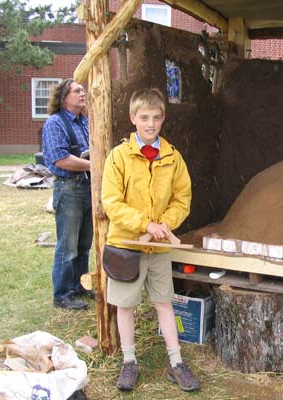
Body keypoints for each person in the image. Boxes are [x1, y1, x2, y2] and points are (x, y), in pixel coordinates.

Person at [101, 88, 200, 392]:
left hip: (158, 248)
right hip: (126, 247)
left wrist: (165, 224)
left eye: (156, 118)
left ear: (163, 119)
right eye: (144, 118)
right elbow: (112, 202)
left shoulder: (173, 157)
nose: (150, 124)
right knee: (126, 306)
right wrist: (144, 224)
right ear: (133, 119)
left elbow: (183, 198)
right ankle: (129, 362)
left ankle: (176, 363)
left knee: (164, 303)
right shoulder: (119, 157)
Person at [42, 78, 93, 310]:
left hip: (87, 188)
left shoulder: (85, 121)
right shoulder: (55, 123)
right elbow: (59, 158)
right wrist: (94, 165)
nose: (82, 93)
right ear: (64, 99)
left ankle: (80, 285)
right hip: (69, 188)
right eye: (76, 91)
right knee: (68, 245)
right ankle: (62, 294)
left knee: (84, 244)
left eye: (82, 90)